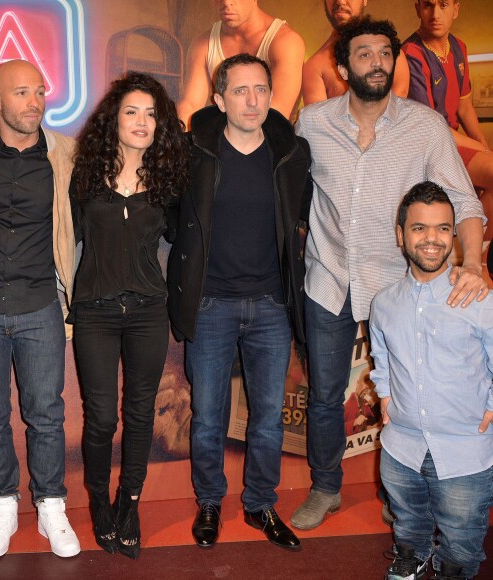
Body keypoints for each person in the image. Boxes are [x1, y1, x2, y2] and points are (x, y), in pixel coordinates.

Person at [290, 17, 486, 532]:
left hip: (399, 287)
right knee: (326, 395)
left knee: (407, 393)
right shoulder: (312, 123)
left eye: (384, 53)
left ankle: (404, 492)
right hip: (328, 279)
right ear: (342, 65)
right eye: (363, 54)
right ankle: (326, 487)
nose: (376, 62)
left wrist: (474, 262)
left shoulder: (426, 126)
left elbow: (464, 199)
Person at [168, 53, 312, 550]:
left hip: (272, 306)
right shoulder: (194, 154)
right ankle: (209, 501)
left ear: (273, 95)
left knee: (268, 418)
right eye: (240, 90)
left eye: (261, 89)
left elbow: (304, 221)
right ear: (219, 99)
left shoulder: (292, 155)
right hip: (211, 305)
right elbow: (171, 219)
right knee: (208, 417)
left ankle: (260, 505)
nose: (253, 101)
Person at [0, 59, 80, 559]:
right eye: (20, 92)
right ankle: (1, 503)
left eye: (39, 91)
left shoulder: (66, 153)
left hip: (41, 304)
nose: (33, 102)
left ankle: (50, 506)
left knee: (46, 414)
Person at [68, 72, 188, 559]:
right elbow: (64, 240)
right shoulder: (83, 175)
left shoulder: (168, 181)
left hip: (146, 313)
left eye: (151, 113)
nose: (142, 122)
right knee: (99, 418)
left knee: (139, 415)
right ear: (112, 119)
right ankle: (98, 500)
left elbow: (184, 242)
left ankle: (130, 502)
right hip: (93, 312)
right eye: (132, 112)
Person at [370, 182, 493, 580]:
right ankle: (412, 552)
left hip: (464, 448)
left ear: (454, 234)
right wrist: (385, 394)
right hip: (401, 446)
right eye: (419, 228)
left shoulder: (478, 298)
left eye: (443, 228)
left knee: (461, 538)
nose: (432, 239)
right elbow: (381, 354)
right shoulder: (384, 302)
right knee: (407, 519)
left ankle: (453, 569)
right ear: (400, 234)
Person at [400, 0, 493, 273]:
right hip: (429, 144)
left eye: (443, 5)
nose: (435, 14)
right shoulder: (411, 53)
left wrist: (484, 146)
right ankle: (472, 256)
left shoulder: (459, 47)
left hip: (454, 140)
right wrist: (481, 150)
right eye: (428, 5)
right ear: (418, 9)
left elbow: (464, 106)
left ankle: (477, 251)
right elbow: (431, 126)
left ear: (456, 8)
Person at [177, 0, 305, 127]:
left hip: (272, 141)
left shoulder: (285, 41)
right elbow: (190, 105)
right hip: (219, 139)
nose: (226, 2)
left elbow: (276, 114)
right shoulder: (202, 44)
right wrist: (176, 138)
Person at [301, 0, 409, 106]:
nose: (340, 2)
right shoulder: (315, 67)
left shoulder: (390, 50)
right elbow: (319, 122)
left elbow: (397, 108)